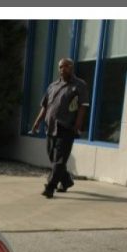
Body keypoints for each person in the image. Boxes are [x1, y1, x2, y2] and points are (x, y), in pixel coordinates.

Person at [31, 58, 89, 199]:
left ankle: (50, 187)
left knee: (60, 160)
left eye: (67, 66)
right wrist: (37, 122)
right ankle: (66, 181)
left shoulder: (79, 85)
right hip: (51, 127)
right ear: (59, 69)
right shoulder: (52, 86)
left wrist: (78, 125)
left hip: (67, 127)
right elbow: (45, 106)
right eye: (61, 66)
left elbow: (83, 106)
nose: (64, 69)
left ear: (72, 68)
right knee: (52, 156)